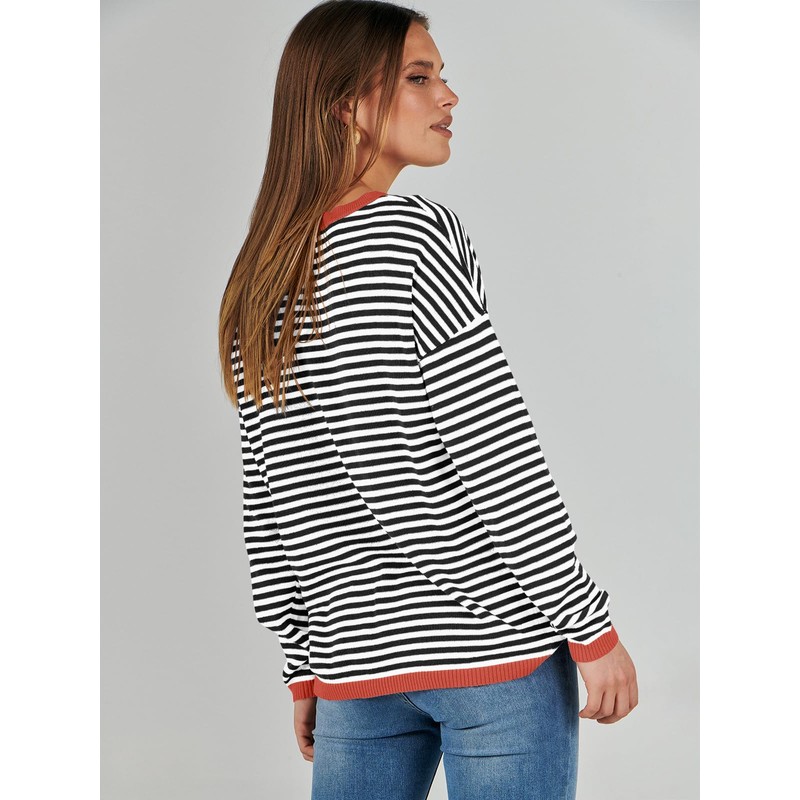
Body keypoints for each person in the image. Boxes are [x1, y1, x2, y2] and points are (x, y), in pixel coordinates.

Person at [218, 1, 638, 798]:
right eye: (419, 77)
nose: (449, 96)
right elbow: (496, 449)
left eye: (442, 76)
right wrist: (590, 626)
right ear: (346, 104)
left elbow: (269, 496)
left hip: (354, 664)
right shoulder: (415, 235)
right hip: (492, 653)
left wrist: (303, 665)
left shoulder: (261, 277)